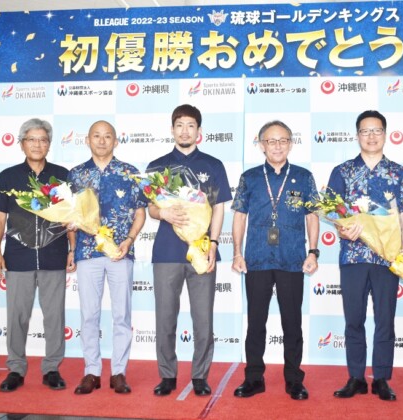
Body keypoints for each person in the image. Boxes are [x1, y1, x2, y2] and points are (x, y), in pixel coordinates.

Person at [328, 110, 403, 402]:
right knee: (353, 319)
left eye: (377, 130)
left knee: (385, 319)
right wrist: (343, 230)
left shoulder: (399, 173)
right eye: (365, 131)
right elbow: (333, 211)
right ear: (357, 135)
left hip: (388, 259)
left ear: (385, 134)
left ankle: (381, 378)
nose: (371, 136)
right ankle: (355, 377)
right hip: (353, 257)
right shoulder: (342, 171)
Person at [231, 120, 319, 400]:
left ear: (291, 144)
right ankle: (254, 378)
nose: (277, 146)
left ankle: (294, 380)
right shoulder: (250, 177)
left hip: (292, 258)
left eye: (283, 140)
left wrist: (313, 252)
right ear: (261, 145)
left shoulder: (304, 177)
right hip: (257, 258)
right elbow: (240, 216)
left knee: (292, 323)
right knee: (256, 322)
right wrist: (237, 252)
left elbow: (312, 216)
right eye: (271, 141)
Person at [0, 118, 75, 392]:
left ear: (49, 144)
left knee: (54, 316)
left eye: (43, 140)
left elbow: (71, 217)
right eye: (32, 139)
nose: (37, 145)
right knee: (17, 316)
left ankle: (52, 369)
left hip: (54, 255)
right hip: (18, 256)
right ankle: (15, 369)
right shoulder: (8, 176)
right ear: (22, 143)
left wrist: (72, 249)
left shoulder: (61, 175)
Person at [148, 104, 231, 397]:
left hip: (202, 251)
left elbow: (219, 209)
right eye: (180, 125)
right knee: (165, 318)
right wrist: (163, 213)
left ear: (199, 131)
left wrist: (214, 243)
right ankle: (167, 375)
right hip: (166, 253)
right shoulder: (157, 166)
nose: (185, 131)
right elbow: (150, 208)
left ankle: (200, 376)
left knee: (203, 319)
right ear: (172, 129)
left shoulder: (213, 165)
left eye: (190, 125)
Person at [68, 120, 146, 395]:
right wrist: (72, 248)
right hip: (87, 252)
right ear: (87, 140)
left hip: (120, 254)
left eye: (107, 136)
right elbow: (70, 216)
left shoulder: (130, 172)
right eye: (96, 136)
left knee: (122, 315)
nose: (102, 141)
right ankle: (91, 371)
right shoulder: (76, 175)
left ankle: (118, 372)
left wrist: (129, 240)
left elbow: (140, 212)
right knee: (89, 315)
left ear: (116, 141)